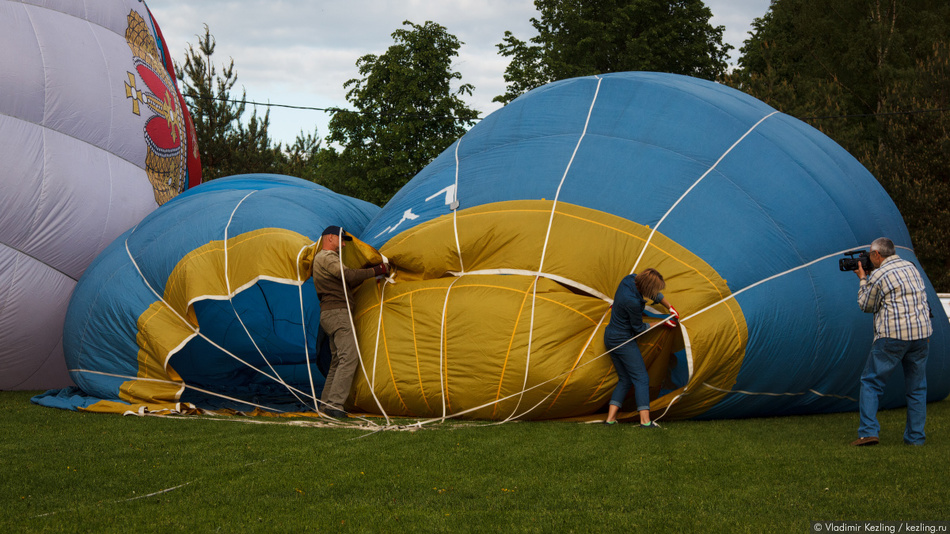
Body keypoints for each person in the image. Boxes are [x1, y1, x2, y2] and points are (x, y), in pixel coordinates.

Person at [851, 237, 932, 446]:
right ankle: (915, 438)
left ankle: (868, 432)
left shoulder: (879, 274)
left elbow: (865, 304)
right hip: (921, 335)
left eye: (870, 255)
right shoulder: (911, 267)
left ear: (877, 255)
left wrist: (862, 279)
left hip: (893, 336)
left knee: (871, 382)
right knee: (917, 389)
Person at [311, 225, 388, 419]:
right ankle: (335, 405)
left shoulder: (322, 260)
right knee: (349, 357)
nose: (344, 244)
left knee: (337, 361)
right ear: (329, 238)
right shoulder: (327, 257)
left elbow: (347, 280)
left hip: (329, 314)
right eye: (341, 239)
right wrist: (377, 270)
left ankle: (326, 405)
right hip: (337, 313)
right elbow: (348, 275)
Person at [603, 268, 678, 427]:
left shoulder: (629, 279)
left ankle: (610, 420)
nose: (656, 292)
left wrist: (669, 307)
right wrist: (663, 322)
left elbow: (650, 291)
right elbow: (639, 328)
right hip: (622, 341)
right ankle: (645, 422)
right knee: (641, 378)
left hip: (610, 336)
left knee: (625, 379)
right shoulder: (632, 301)